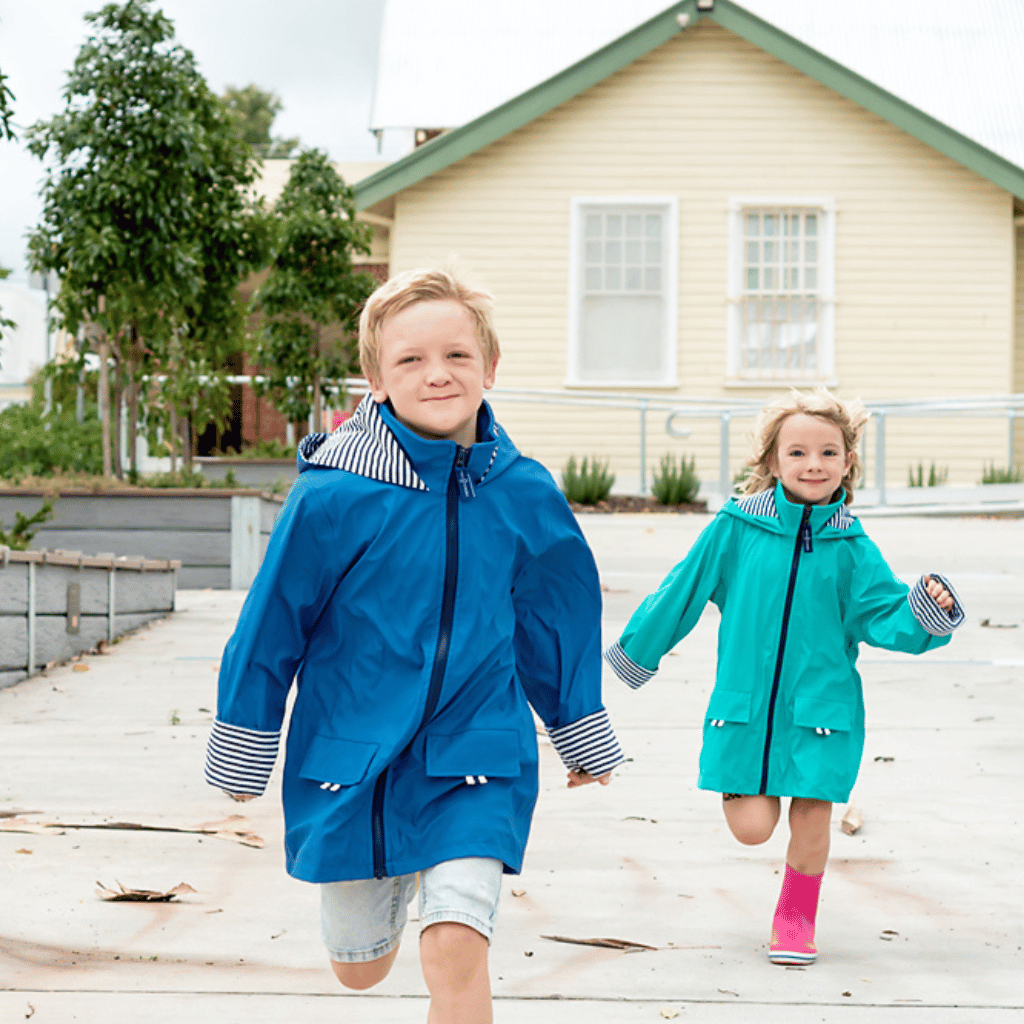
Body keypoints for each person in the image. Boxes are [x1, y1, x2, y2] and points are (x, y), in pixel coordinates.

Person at [205, 267, 624, 1022]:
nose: (438, 374)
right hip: (352, 759)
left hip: (477, 754)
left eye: (458, 356)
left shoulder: (523, 491)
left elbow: (557, 613)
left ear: (489, 367)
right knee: (359, 970)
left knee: (456, 947)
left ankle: (442, 898)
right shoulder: (332, 496)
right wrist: (245, 741)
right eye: (411, 360)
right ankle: (386, 894)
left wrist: (577, 730)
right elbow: (271, 626)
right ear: (374, 377)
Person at [604, 388, 964, 966]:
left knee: (813, 814)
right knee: (751, 827)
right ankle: (750, 792)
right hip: (744, 707)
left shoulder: (852, 546)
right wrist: (638, 651)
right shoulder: (736, 529)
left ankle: (795, 919)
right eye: (797, 452)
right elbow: (684, 587)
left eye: (828, 452)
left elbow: (884, 614)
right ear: (772, 462)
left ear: (848, 463)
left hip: (823, 709)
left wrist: (927, 611)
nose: (813, 464)